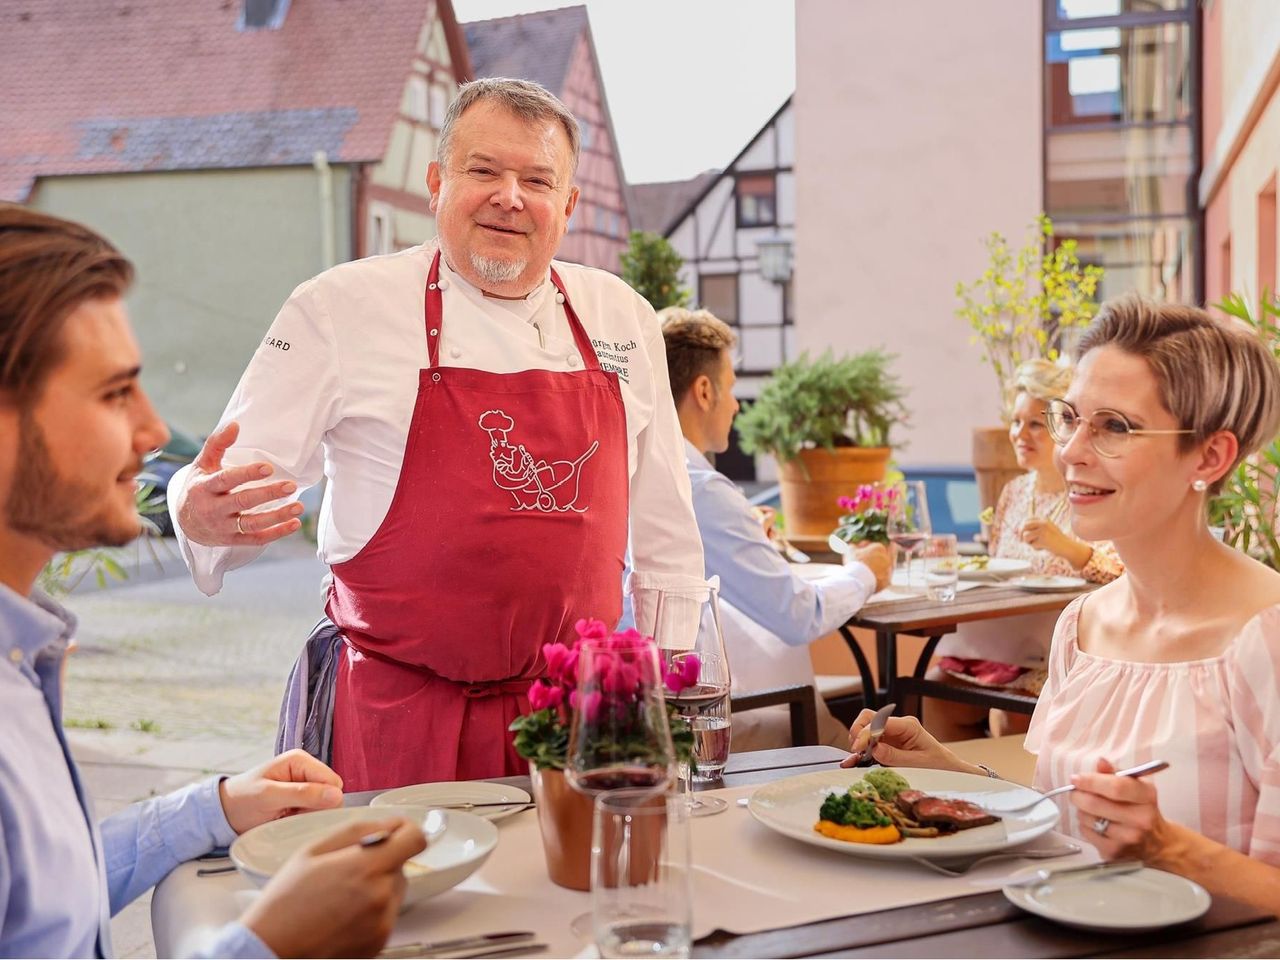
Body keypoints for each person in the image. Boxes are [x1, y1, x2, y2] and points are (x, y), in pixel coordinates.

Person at [170, 78, 705, 792]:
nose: (509, 196)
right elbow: (228, 477)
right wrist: (194, 510)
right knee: (399, 901)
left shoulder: (621, 318)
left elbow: (668, 531)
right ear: (436, 182)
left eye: (537, 180)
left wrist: (664, 696)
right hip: (394, 715)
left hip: (574, 724)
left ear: (568, 205)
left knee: (566, 901)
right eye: (483, 170)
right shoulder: (339, 309)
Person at [0, 205, 425, 957]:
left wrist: (218, 807)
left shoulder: (21, 652)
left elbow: (48, 901)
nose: (156, 430)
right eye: (114, 392)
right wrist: (268, 942)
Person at [846, 296, 1280, 912]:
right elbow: (1060, 820)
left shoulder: (1266, 637)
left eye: (1114, 426)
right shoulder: (1083, 625)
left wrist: (1166, 848)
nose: (1071, 451)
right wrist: (948, 770)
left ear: (1210, 457)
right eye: (1070, 418)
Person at [658, 308, 891, 748]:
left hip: (676, 708)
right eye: (730, 389)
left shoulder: (643, 471)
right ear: (704, 391)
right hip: (732, 719)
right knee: (879, 742)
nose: (735, 405)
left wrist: (745, 533)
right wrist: (867, 571)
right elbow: (798, 616)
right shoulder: (702, 490)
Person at [926, 359, 1122, 741]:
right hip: (1003, 642)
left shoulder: (1092, 488)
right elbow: (998, 568)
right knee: (936, 688)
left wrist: (1065, 547)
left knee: (1011, 713)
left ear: (1064, 426)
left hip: (1064, 645)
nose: (1020, 434)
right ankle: (955, 794)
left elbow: (1119, 576)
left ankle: (1011, 793)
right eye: (1016, 422)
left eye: (1035, 423)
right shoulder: (1014, 492)